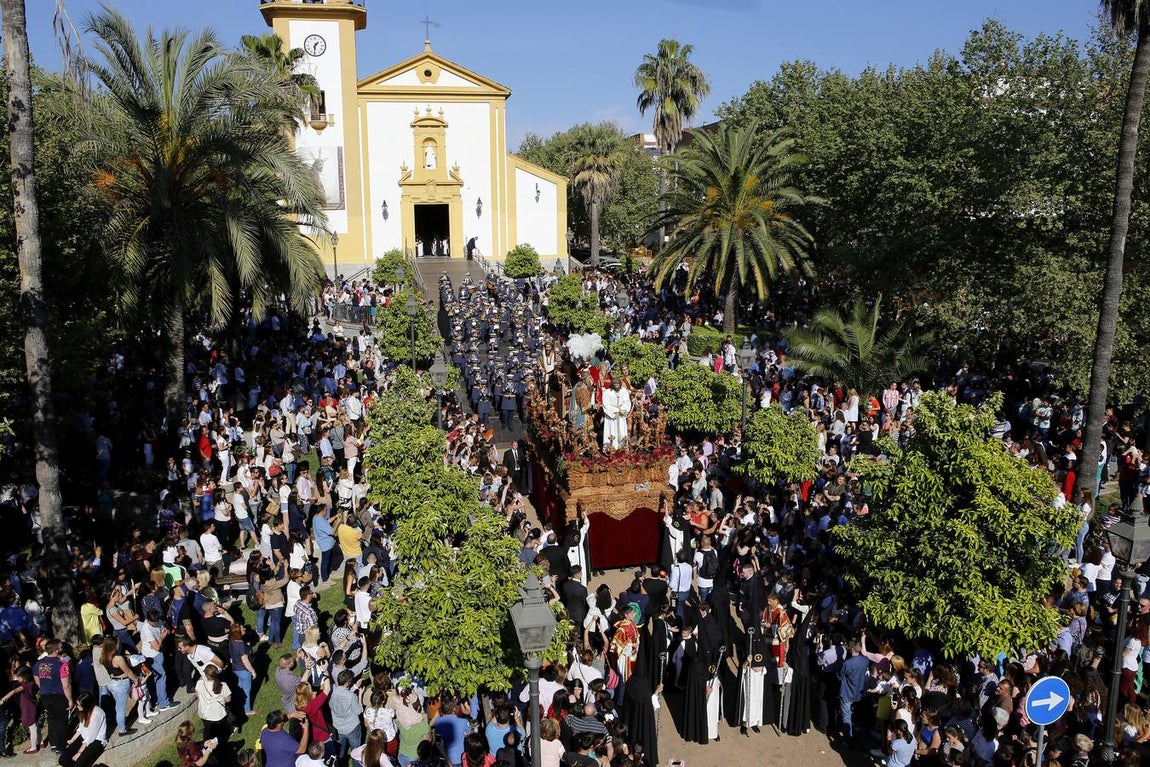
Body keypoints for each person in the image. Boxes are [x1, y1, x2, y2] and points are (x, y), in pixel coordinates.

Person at [34, 638, 73, 753]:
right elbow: (66, 685)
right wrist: (70, 699)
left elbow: (37, 680)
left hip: (45, 695)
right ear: (56, 650)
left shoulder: (37, 664)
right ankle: (61, 746)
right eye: (60, 647)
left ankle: (53, 743)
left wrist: (46, 688)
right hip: (59, 695)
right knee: (61, 721)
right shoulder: (62, 664)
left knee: (52, 719)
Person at [58, 692, 106, 767]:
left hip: (95, 741)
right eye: (77, 704)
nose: (77, 707)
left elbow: (91, 737)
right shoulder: (83, 711)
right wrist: (72, 740)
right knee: (62, 760)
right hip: (83, 737)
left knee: (78, 764)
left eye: (79, 705)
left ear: (87, 705)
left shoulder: (97, 713)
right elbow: (81, 729)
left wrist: (79, 753)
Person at [195, 665, 232, 751]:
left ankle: (206, 749)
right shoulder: (223, 685)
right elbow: (228, 700)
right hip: (218, 715)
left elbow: (198, 696)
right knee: (219, 735)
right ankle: (219, 749)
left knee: (207, 731)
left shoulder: (199, 683)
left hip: (204, 714)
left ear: (205, 674)